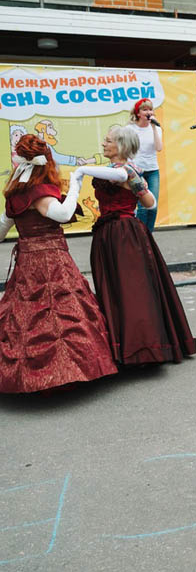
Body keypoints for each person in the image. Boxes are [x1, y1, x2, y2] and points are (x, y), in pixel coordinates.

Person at [0, 135, 116, 393]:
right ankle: (64, 374)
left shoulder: (16, 195)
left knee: (25, 314)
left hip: (27, 263)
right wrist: (75, 185)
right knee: (63, 314)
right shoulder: (40, 193)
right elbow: (63, 215)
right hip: (52, 261)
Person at [73, 126, 196, 365]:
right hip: (107, 235)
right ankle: (125, 345)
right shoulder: (112, 170)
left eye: (108, 141)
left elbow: (150, 204)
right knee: (114, 287)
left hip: (124, 235)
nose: (104, 144)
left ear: (121, 145)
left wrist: (136, 183)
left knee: (132, 289)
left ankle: (143, 348)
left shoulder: (127, 171)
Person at [129, 98, 163, 233]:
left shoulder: (156, 127)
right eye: (145, 109)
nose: (148, 112)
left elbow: (159, 148)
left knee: (152, 205)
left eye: (150, 109)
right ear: (138, 113)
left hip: (153, 170)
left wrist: (154, 128)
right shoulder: (130, 128)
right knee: (142, 207)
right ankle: (140, 236)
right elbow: (126, 150)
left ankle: (149, 236)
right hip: (137, 171)